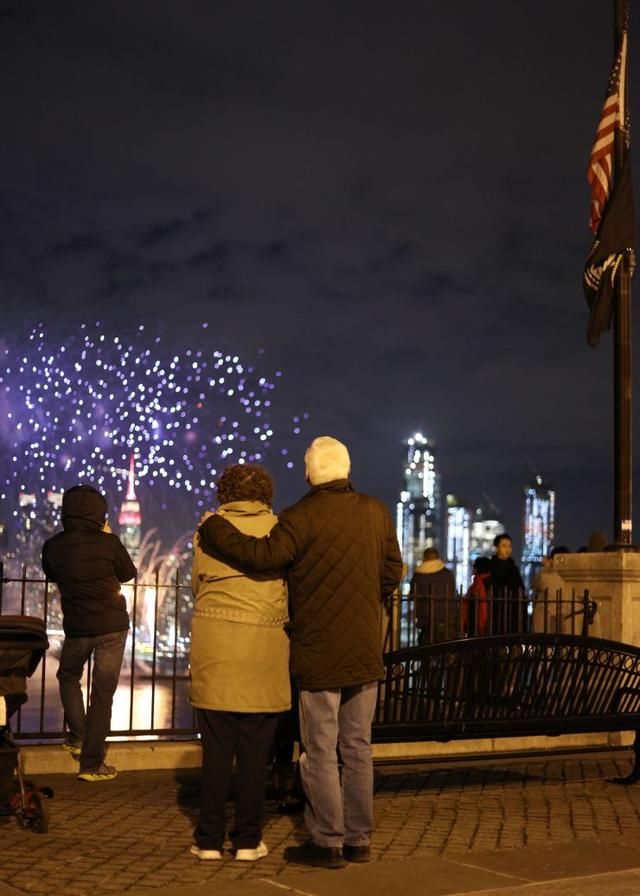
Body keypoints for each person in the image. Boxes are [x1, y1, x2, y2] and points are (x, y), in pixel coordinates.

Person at [198, 436, 403, 870]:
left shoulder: (300, 517)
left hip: (319, 651)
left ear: (311, 472)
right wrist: (367, 604)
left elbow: (260, 556)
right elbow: (392, 572)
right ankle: (359, 839)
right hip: (365, 649)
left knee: (320, 750)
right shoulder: (377, 511)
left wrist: (215, 526)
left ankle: (327, 841)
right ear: (346, 469)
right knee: (359, 746)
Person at [189, 463, 290, 863]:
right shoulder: (281, 530)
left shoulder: (207, 532)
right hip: (264, 651)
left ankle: (209, 840)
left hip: (216, 648)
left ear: (223, 491)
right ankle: (248, 840)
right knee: (254, 756)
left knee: (215, 753)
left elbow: (198, 584)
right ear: (266, 493)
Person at [41, 484, 136, 782]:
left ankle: (79, 736)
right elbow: (128, 573)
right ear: (100, 514)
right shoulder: (110, 543)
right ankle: (92, 764)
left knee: (68, 676)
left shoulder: (53, 546)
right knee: (103, 694)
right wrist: (106, 537)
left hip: (78, 626)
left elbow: (52, 574)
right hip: (112, 626)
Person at [410, 547, 457, 644]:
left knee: (426, 646)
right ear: (438, 557)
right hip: (446, 616)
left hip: (425, 617)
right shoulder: (447, 574)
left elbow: (412, 595)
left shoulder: (418, 575)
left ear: (424, 558)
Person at [489, 532, 525, 634]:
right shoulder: (491, 566)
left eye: (509, 546)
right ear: (497, 548)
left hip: (513, 611)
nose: (507, 549)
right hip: (497, 609)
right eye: (504, 546)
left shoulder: (513, 567)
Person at [532, 546, 570, 634]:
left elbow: (535, 582)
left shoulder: (545, 577)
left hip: (544, 623)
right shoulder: (567, 579)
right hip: (562, 623)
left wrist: (545, 568)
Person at [462, 556, 492, 637]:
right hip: (487, 627)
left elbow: (483, 607)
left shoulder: (478, 583)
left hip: (476, 627)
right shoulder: (490, 582)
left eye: (474, 566)